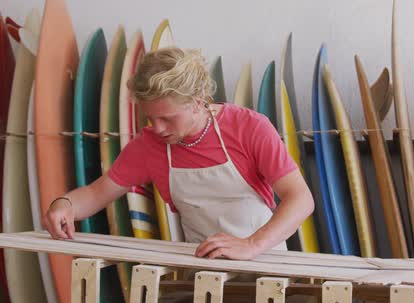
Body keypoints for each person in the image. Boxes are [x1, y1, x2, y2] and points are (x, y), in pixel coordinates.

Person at [42, 47, 314, 260]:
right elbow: (95, 193)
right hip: (201, 269)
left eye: (168, 118)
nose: (157, 128)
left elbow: (300, 199)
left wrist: (251, 245)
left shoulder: (249, 127)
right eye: (150, 118)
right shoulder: (149, 146)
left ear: (198, 102)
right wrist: (64, 205)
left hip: (266, 264)